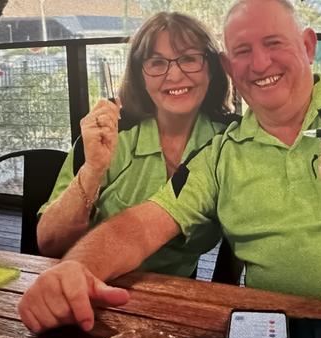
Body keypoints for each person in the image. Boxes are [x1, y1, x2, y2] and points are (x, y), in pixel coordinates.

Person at [18, 0, 321, 333]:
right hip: (279, 334)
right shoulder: (219, 152)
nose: (261, 63)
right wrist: (77, 269)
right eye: (244, 51)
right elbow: (139, 226)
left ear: (307, 46)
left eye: (274, 43)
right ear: (230, 66)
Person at [36, 12, 233, 279]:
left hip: (174, 295)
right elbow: (49, 243)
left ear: (211, 67)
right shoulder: (111, 135)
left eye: (188, 59)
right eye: (157, 62)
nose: (174, 74)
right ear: (140, 75)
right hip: (86, 283)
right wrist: (93, 169)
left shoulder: (229, 141)